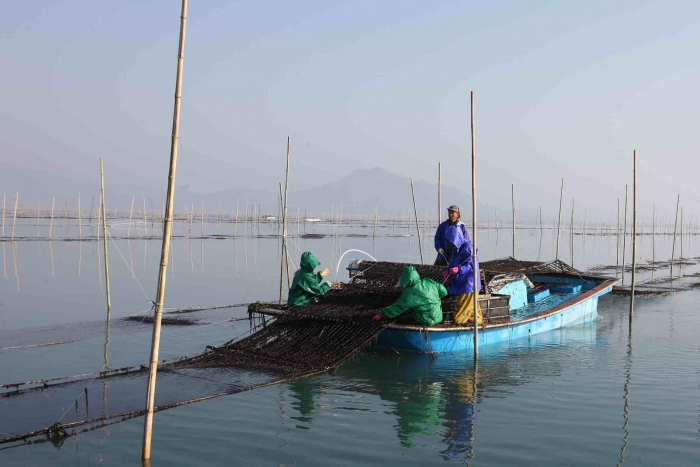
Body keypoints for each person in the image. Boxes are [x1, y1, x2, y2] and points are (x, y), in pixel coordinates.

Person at [372, 265, 448, 326]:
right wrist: (441, 295)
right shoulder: (428, 281)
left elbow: (398, 307)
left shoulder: (410, 292)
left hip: (425, 320)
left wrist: (382, 314)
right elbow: (443, 289)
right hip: (438, 317)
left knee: (401, 319)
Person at [442, 225, 482, 325]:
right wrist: (447, 269)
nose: (451, 243)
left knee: (460, 312)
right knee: (472, 310)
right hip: (463, 283)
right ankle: (476, 323)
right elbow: (453, 261)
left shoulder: (469, 248)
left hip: (470, 285)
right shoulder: (457, 249)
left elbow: (471, 266)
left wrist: (459, 269)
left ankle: (458, 325)